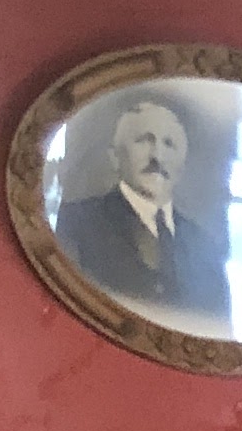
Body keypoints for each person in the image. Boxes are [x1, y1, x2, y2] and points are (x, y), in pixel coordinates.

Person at [56, 98, 228, 320]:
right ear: (115, 156)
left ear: (183, 164)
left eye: (169, 144)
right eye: (144, 141)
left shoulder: (206, 248)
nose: (157, 157)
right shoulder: (75, 222)